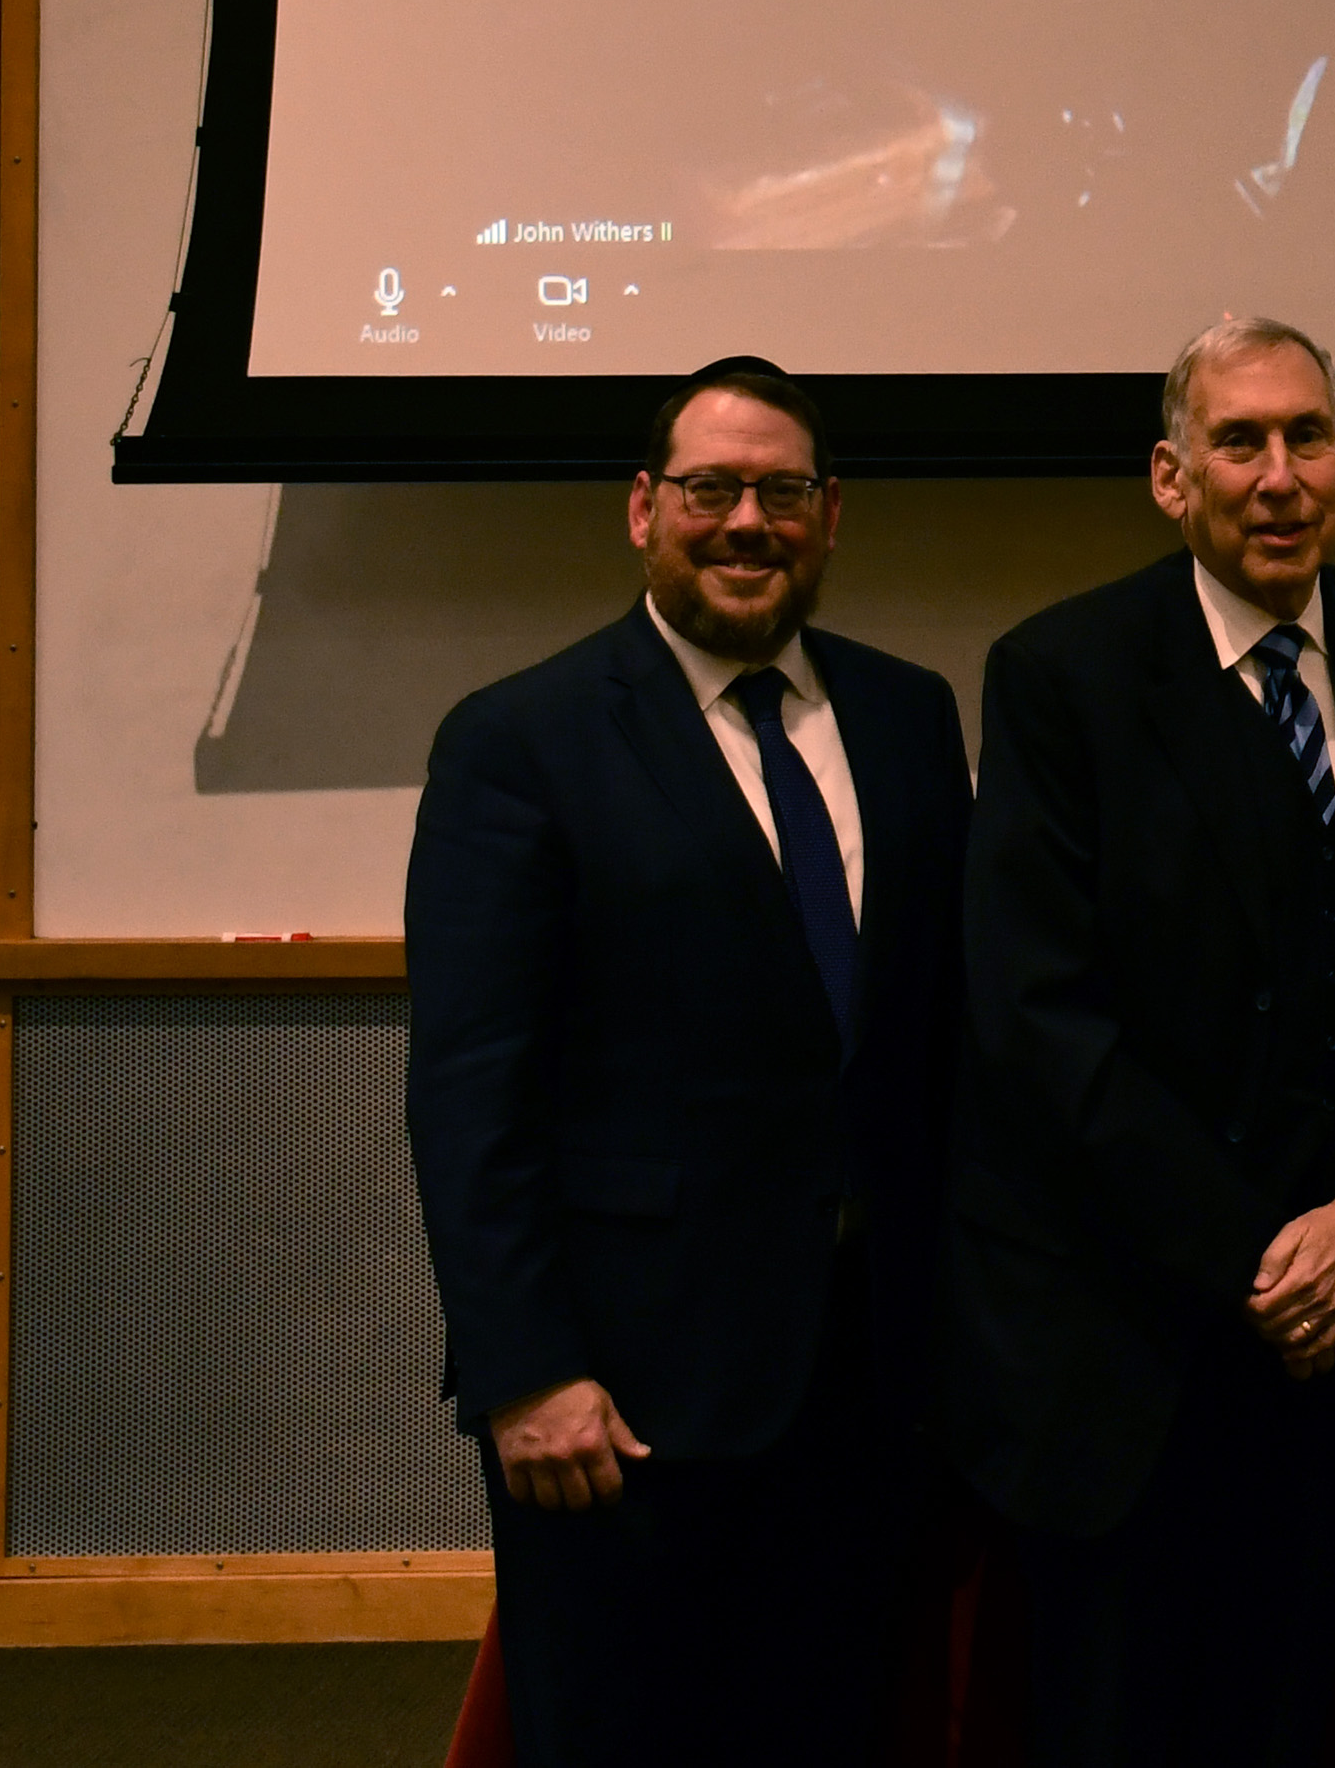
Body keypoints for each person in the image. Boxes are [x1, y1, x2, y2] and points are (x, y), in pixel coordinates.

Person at [402, 357, 973, 1768]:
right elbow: (474, 1083)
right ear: (643, 509)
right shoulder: (521, 740)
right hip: (626, 1398)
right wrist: (526, 1371)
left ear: (831, 515)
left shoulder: (909, 718)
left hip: (873, 1375)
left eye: (783, 491)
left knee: (844, 1722)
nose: (747, 522)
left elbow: (943, 1044)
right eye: (712, 489)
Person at [943, 315, 1335, 1768]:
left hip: (1330, 1350)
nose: (1278, 473)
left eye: (1308, 437)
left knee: (1302, 1716)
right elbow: (1040, 1021)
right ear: (1171, 478)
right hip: (1129, 1352)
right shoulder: (1061, 672)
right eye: (1238, 441)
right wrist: (1268, 1260)